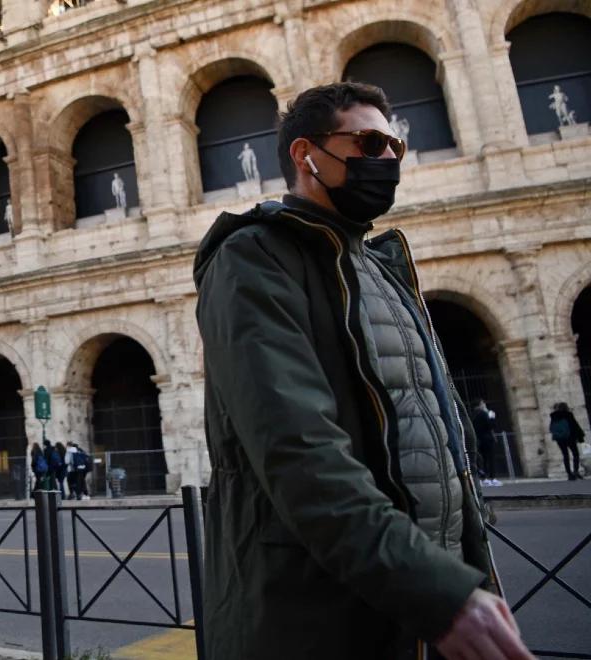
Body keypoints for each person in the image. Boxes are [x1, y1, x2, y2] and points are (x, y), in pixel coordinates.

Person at [193, 82, 530, 660]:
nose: (387, 161)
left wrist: (457, 570)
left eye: (393, 148)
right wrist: (434, 590)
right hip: (319, 618)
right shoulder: (252, 260)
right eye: (369, 143)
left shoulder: (379, 266)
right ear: (306, 155)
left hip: (413, 600)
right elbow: (299, 451)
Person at [549, 402, 586, 480]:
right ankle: (576, 471)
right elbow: (575, 425)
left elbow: (551, 428)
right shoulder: (568, 414)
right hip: (570, 438)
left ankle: (569, 474)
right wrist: (580, 437)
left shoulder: (553, 416)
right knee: (575, 454)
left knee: (565, 455)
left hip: (560, 439)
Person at [472, 400, 501, 487]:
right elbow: (491, 425)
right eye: (483, 403)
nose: (484, 405)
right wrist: (492, 417)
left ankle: (483, 478)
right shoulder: (484, 414)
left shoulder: (473, 414)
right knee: (490, 459)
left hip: (478, 439)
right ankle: (493, 478)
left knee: (481, 460)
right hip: (487, 439)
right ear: (480, 405)